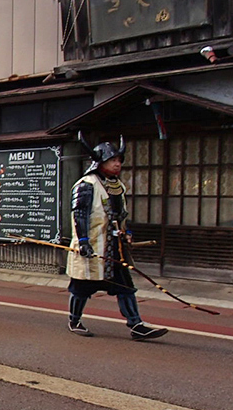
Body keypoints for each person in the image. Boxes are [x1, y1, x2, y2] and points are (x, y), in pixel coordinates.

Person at [66, 137, 168, 341]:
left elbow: (121, 215)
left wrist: (126, 233)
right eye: (113, 160)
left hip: (115, 247)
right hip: (93, 247)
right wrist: (84, 241)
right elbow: (79, 215)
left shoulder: (118, 186)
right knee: (81, 288)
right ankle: (74, 320)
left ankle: (136, 324)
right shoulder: (86, 185)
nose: (117, 164)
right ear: (99, 161)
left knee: (126, 287)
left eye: (119, 160)